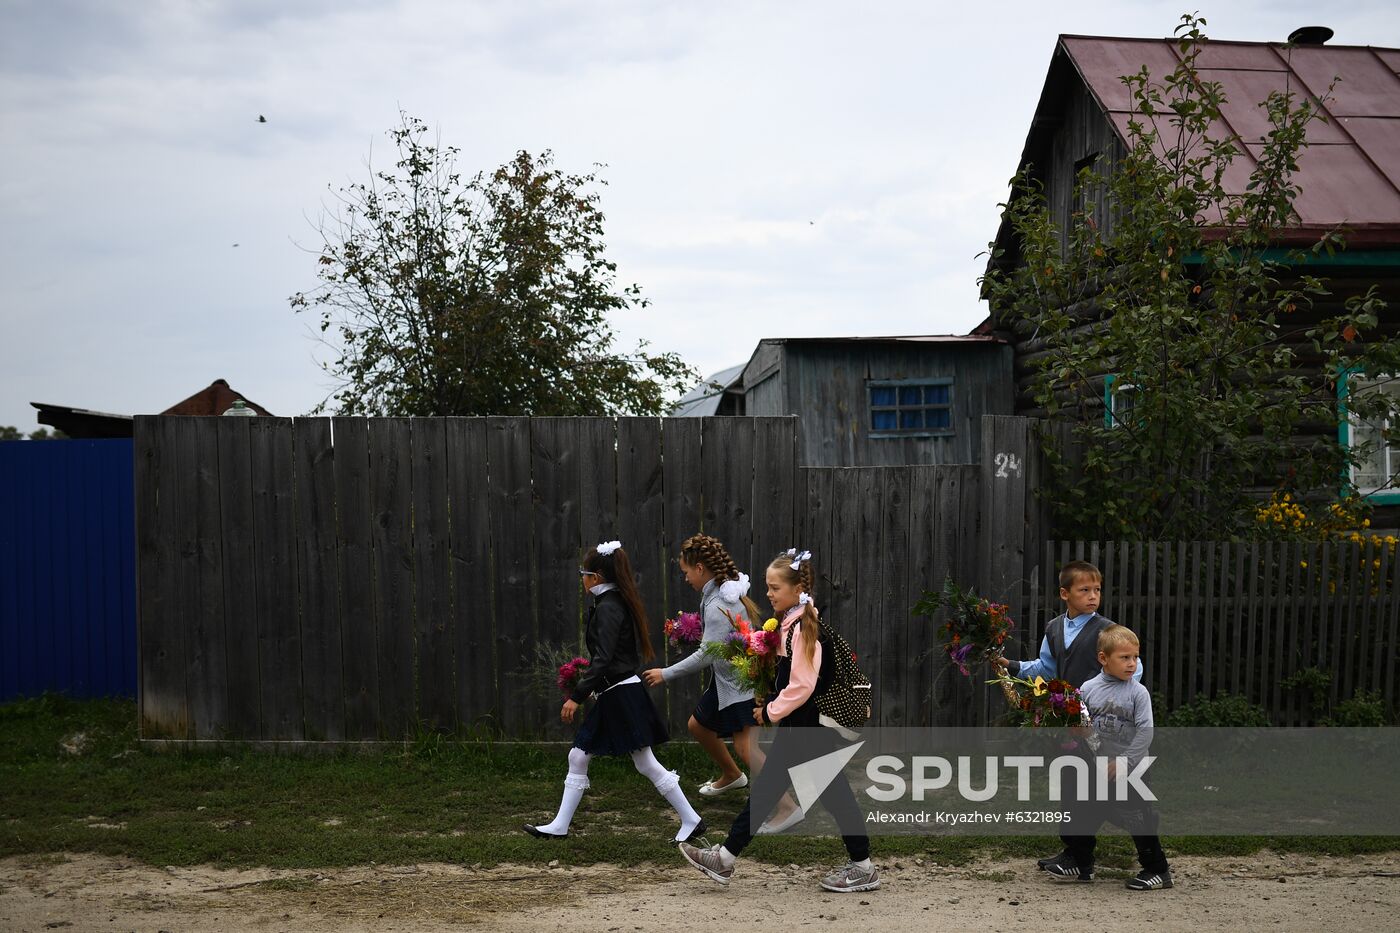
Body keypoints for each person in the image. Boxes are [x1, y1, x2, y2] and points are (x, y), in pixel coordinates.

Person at [678, 550, 878, 893]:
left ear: (797, 589)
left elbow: (802, 685)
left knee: (804, 791)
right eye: (768, 586)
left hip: (809, 727)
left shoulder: (803, 629)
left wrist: (770, 711)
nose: (769, 593)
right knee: (804, 792)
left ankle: (726, 858)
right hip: (803, 726)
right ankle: (726, 858)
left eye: (775, 587)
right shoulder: (792, 624)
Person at [524, 541, 705, 843]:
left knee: (620, 760)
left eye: (583, 574)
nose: (582, 579)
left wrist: (576, 696)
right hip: (618, 693)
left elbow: (604, 659)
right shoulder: (611, 602)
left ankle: (691, 819)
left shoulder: (609, 606)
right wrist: (590, 687)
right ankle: (560, 825)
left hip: (621, 695)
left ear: (595, 577)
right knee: (589, 757)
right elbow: (607, 659)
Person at [1042, 624, 1173, 891]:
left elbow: (1145, 733)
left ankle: (1157, 870)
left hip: (1133, 769)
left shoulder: (1138, 693)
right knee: (1083, 811)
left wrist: (1125, 762)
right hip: (1098, 766)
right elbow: (1085, 729)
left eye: (1135, 657)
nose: (1132, 664)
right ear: (1103, 658)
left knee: (1137, 818)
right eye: (1124, 658)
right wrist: (1077, 730)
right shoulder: (1088, 689)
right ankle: (1081, 862)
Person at [643, 534, 764, 797]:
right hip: (726, 682)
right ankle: (732, 775)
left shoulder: (719, 602)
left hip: (740, 684)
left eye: (686, 572)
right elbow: (719, 637)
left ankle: (786, 802)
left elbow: (705, 656)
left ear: (700, 568)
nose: (686, 578)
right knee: (698, 726)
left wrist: (665, 673)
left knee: (745, 748)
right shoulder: (718, 594)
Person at [994, 560, 1142, 689]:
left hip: (1100, 710)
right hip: (1064, 709)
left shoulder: (1108, 630)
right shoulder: (1053, 628)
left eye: (1097, 589)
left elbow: (1135, 668)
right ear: (1065, 594)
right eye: (1085, 590)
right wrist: (1010, 665)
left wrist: (1112, 696)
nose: (1093, 596)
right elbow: (1047, 669)